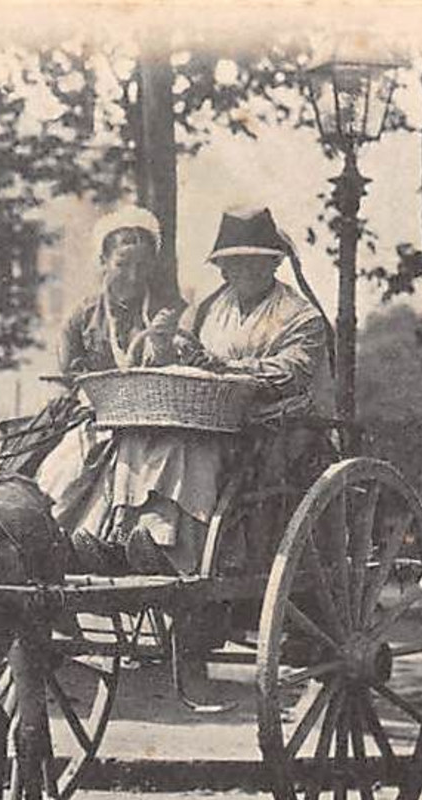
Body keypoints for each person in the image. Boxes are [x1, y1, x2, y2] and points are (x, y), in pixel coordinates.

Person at [60, 205, 334, 576]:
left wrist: (224, 369)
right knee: (137, 436)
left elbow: (292, 373)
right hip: (207, 413)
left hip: (268, 425)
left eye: (257, 262)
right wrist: (175, 349)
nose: (245, 271)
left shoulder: (301, 317)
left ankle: (175, 551)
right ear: (223, 268)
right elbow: (187, 353)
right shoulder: (208, 309)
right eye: (236, 263)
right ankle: (123, 539)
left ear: (275, 264)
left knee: (188, 447)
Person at [34, 207, 182, 570]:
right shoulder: (82, 317)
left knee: (147, 460)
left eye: (143, 266)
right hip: (96, 416)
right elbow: (69, 373)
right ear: (104, 261)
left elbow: (179, 370)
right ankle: (58, 543)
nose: (133, 276)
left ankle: (130, 543)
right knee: (66, 469)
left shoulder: (167, 312)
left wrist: (162, 346)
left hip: (155, 419)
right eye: (122, 264)